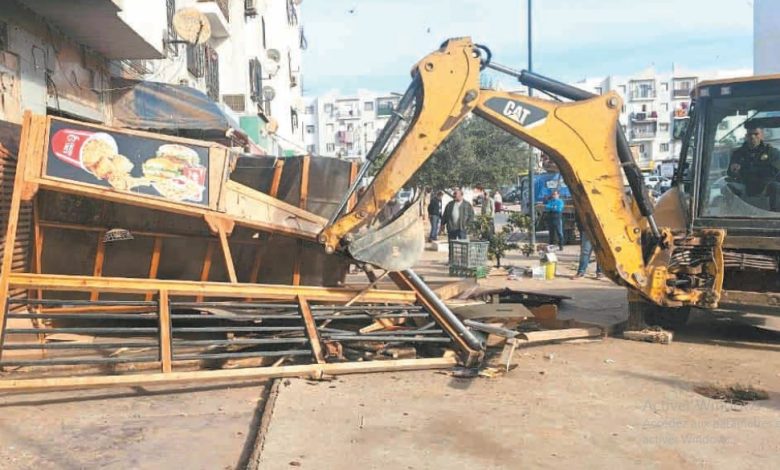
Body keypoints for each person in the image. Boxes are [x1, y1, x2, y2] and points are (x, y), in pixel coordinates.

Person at [726, 125, 780, 211]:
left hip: (766, 187)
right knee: (728, 188)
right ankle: (729, 216)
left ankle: (775, 218)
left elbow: (773, 171)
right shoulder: (738, 153)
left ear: (762, 135)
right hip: (745, 186)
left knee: (776, 187)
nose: (752, 137)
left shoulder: (772, 152)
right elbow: (730, 172)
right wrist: (733, 170)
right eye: (750, 134)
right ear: (746, 136)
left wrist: (745, 169)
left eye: (756, 134)